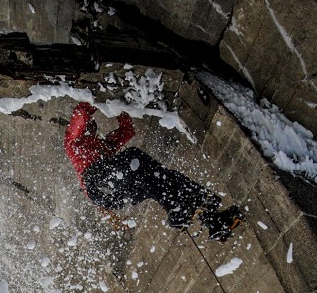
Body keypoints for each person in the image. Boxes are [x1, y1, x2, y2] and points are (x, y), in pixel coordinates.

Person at [64, 101, 243, 241]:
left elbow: (127, 130)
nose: (93, 130)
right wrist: (107, 99)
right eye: (90, 126)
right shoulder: (72, 142)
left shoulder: (104, 145)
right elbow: (82, 110)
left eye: (93, 127)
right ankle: (177, 210)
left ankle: (212, 217)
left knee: (163, 177)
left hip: (116, 191)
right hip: (99, 187)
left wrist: (121, 109)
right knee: (135, 158)